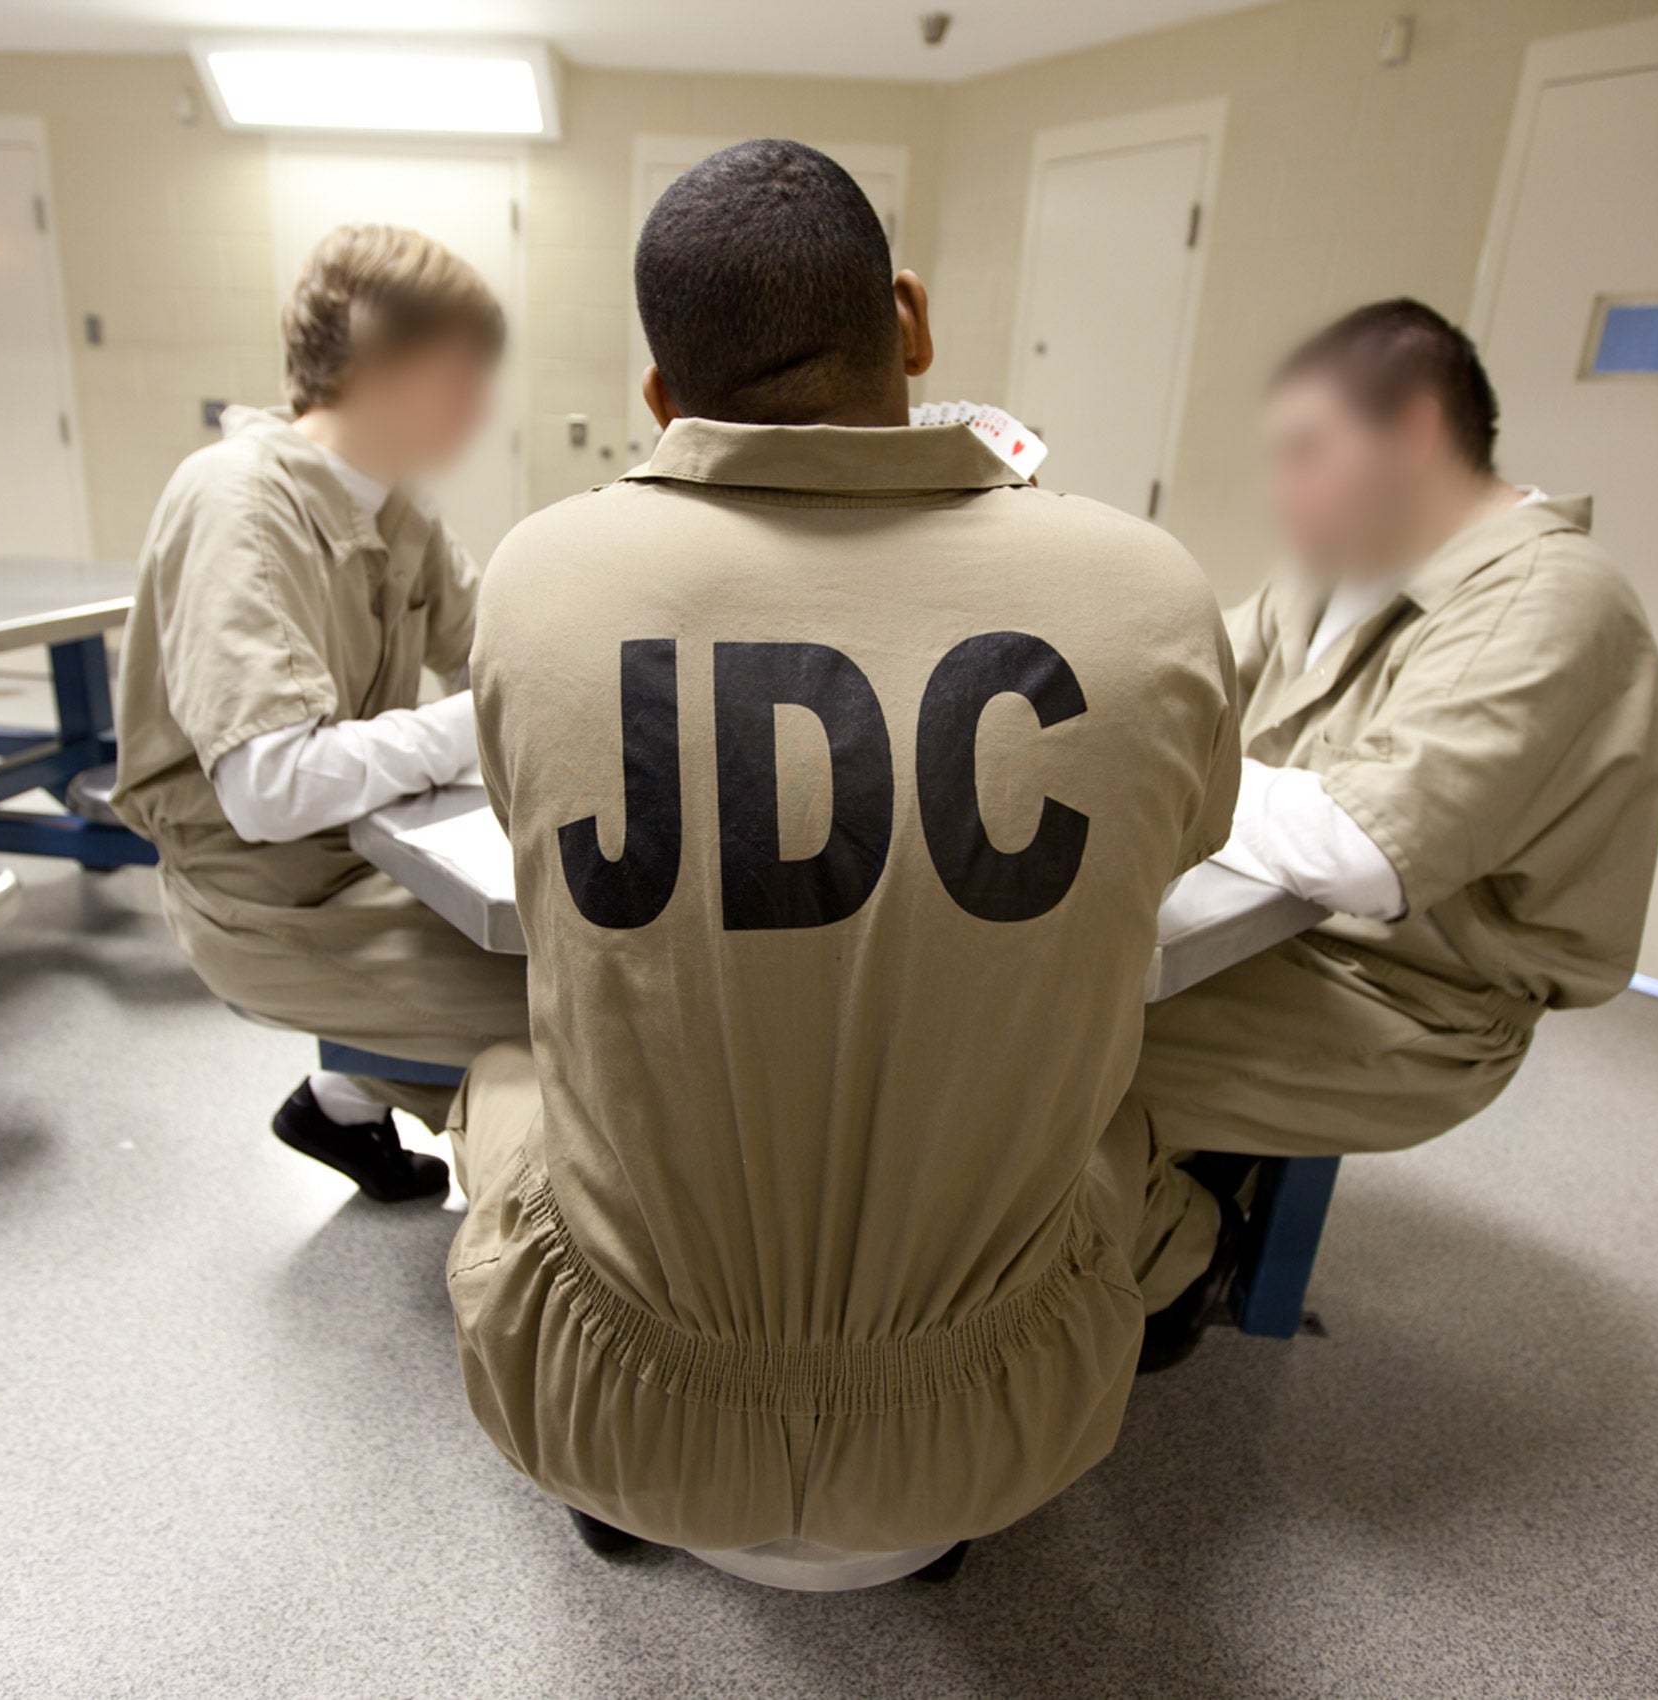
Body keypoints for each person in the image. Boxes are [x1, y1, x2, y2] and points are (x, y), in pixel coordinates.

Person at [445, 141, 1241, 1588]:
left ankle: (670, 1485)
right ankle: (907, 1504)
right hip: (1001, 1423)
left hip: (616, 1408)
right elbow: (1180, 846)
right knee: (1124, 1114)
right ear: (914, 322)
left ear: (658, 400)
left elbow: (526, 837)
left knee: (495, 1081)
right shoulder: (1150, 589)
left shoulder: (536, 577)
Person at [1129, 299, 1658, 1366]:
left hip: (1418, 999)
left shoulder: (1552, 602)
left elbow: (1363, 852)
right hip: (1281, 937)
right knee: (1033, 1035)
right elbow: (1175, 692)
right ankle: (1161, 1187)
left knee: (1045, 1069)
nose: (1282, 486)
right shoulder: (1336, 564)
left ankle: (1181, 1256)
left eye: (1305, 451)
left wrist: (1172, 773)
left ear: (1415, 431)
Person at [110, 225, 530, 1202]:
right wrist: (478, 721)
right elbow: (268, 786)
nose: (481, 400)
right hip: (266, 897)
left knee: (571, 941)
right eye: (463, 366)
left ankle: (338, 1096)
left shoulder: (397, 507)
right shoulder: (237, 502)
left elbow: (493, 653)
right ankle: (377, 1090)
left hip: (368, 852)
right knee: (573, 1001)